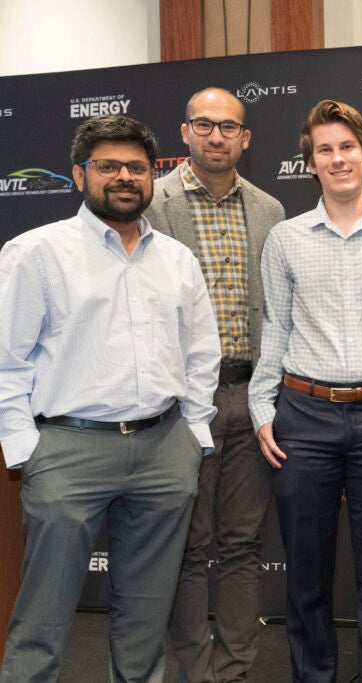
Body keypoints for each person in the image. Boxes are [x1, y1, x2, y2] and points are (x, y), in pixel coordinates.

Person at [0, 114, 220, 682]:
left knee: (146, 622)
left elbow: (201, 354)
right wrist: (27, 450)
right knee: (42, 622)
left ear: (153, 176)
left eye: (137, 167)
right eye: (108, 166)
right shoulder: (35, 254)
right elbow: (7, 360)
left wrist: (193, 437)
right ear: (79, 175)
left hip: (163, 451)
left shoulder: (176, 259)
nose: (124, 177)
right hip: (67, 450)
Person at [248, 99, 362, 683]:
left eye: (347, 147)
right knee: (306, 574)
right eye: (325, 150)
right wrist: (262, 406)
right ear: (310, 163)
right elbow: (275, 326)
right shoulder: (285, 239)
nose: (338, 158)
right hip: (302, 418)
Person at [145, 86, 285, 683]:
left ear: (245, 138)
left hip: (252, 396)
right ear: (185, 132)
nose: (217, 136)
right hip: (184, 402)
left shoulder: (270, 211)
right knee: (187, 544)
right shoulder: (152, 203)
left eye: (229, 127)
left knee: (243, 543)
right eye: (204, 125)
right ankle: (196, 672)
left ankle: (234, 670)